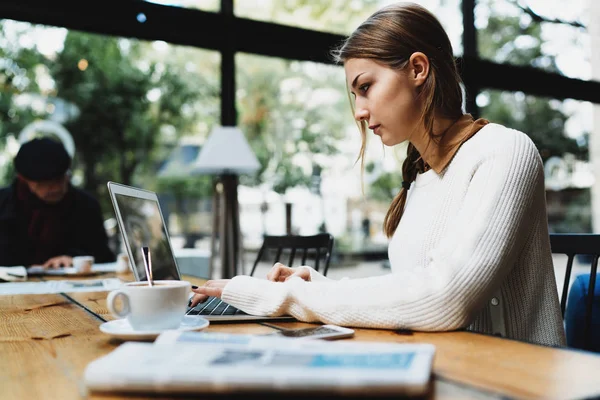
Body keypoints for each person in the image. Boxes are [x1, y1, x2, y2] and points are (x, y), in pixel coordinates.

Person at [190, 2, 566, 347]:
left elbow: (446, 297)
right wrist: (321, 286)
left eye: (366, 87)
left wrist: (282, 296)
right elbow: (412, 290)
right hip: (442, 366)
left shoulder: (503, 151)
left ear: (418, 69)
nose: (359, 111)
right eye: (356, 96)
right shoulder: (420, 179)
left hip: (513, 382)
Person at [0, 137, 115, 268]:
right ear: (24, 180)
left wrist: (74, 259)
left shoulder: (87, 205)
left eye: (59, 180)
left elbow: (103, 255)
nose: (55, 188)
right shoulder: (4, 205)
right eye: (45, 184)